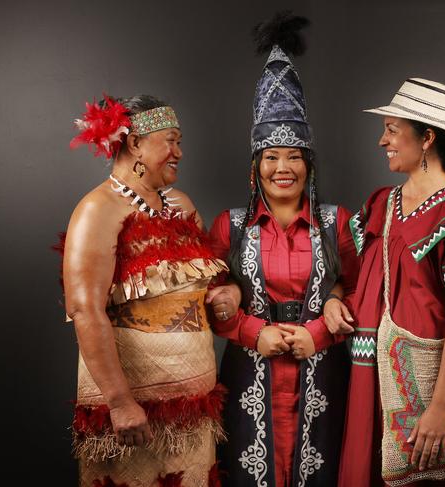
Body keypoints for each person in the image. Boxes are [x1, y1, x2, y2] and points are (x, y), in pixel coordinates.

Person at [339, 78, 445, 487]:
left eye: (392, 130)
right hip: (372, 372)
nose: (382, 141)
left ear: (428, 138)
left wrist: (441, 406)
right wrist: (334, 298)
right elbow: (353, 276)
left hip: (426, 380)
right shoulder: (381, 204)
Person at [207, 13, 358, 487]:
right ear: (256, 168)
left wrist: (324, 327)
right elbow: (206, 303)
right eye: (271, 157)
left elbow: (363, 290)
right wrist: (252, 332)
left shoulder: (339, 222)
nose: (283, 167)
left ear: (309, 166)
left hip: (325, 380)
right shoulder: (229, 225)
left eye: (294, 156)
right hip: (248, 380)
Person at [59, 94, 236, 486]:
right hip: (135, 412)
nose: (180, 153)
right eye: (171, 140)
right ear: (135, 143)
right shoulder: (98, 209)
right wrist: (120, 403)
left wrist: (227, 296)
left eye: (180, 141)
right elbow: (85, 308)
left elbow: (206, 283)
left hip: (193, 410)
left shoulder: (182, 205)